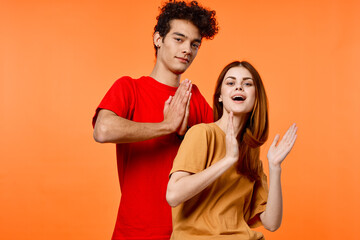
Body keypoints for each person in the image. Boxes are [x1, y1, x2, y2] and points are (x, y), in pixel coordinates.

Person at [92, 1, 218, 239]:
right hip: (134, 232)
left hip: (188, 233)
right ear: (158, 39)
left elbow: (226, 147)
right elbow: (103, 130)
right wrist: (166, 126)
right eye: (178, 39)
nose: (187, 50)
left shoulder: (196, 98)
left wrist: (186, 132)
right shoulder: (130, 88)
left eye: (194, 44)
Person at [166, 61, 298, 239]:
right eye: (230, 82)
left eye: (247, 83)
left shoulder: (250, 155)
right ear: (220, 96)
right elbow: (173, 195)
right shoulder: (202, 134)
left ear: (256, 96)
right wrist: (227, 160)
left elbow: (272, 223)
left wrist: (275, 167)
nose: (239, 87)